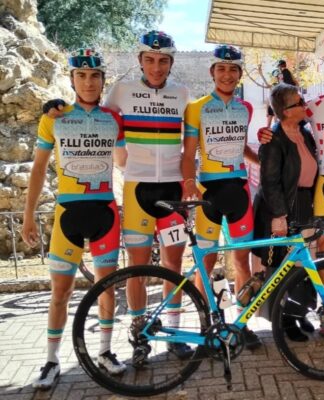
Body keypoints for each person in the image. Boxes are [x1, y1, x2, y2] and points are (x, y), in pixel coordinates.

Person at [42, 31, 198, 361]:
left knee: (173, 263)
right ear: (140, 60)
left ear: (171, 63)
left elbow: (195, 137)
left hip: (173, 193)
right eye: (150, 60)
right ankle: (139, 333)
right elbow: (92, 114)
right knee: (137, 269)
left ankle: (173, 331)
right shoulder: (121, 91)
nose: (156, 67)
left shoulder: (182, 93)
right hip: (137, 189)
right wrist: (56, 107)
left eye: (163, 61)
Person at [21, 49, 127, 390]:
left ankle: (105, 351)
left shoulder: (114, 118)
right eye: (81, 76)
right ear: (72, 80)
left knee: (107, 287)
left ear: (103, 81)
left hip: (105, 212)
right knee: (60, 291)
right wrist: (28, 216)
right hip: (68, 213)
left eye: (94, 76)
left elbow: (125, 160)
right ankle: (51, 360)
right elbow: (39, 169)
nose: (88, 82)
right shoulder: (54, 117)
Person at [259, 51, 324, 336]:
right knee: (315, 252)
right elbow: (272, 170)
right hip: (313, 193)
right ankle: (314, 313)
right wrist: (265, 133)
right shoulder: (313, 107)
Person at [183, 44, 261, 349]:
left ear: (239, 74)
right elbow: (189, 153)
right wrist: (189, 182)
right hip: (209, 193)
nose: (227, 75)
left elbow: (242, 147)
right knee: (206, 262)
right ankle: (208, 325)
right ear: (212, 72)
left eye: (233, 69)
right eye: (221, 69)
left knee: (242, 261)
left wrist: (263, 163)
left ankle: (242, 323)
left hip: (239, 191)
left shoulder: (246, 108)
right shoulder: (196, 108)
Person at [252, 83, 318, 341]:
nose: (304, 105)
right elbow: (269, 182)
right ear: (287, 111)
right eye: (299, 102)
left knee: (304, 263)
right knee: (284, 267)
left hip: (303, 203)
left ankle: (299, 313)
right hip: (282, 207)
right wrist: (279, 216)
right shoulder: (273, 139)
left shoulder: (304, 132)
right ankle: (284, 321)